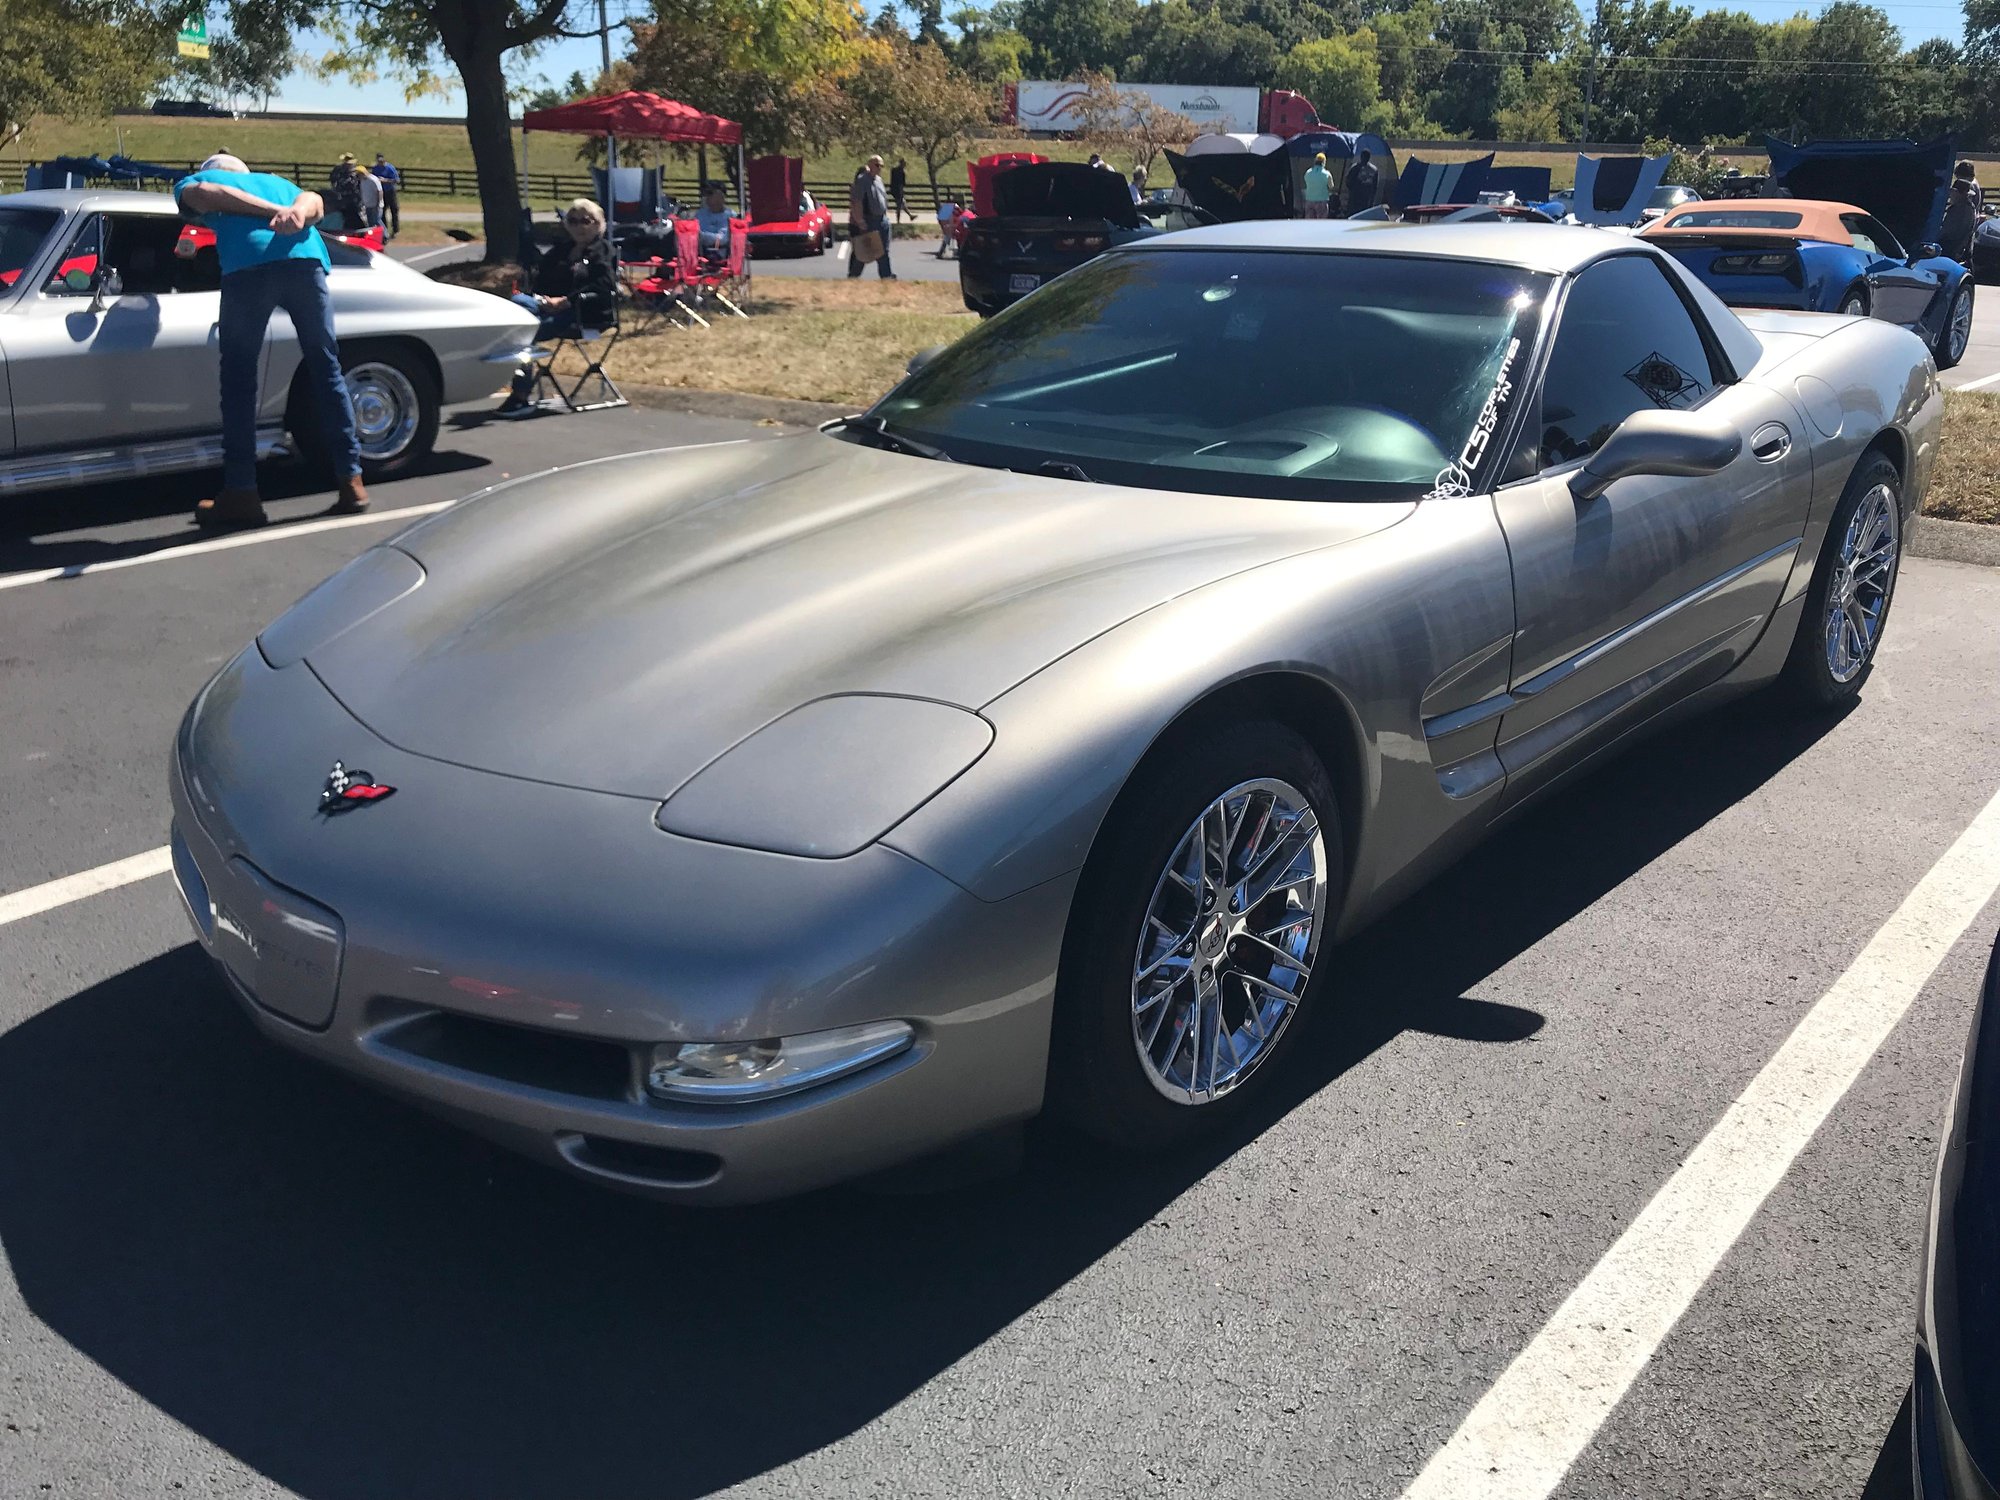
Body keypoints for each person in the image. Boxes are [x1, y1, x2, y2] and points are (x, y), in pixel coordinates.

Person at [174, 153, 364, 528]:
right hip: (306, 264)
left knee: (240, 379)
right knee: (327, 369)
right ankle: (351, 480)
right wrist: (292, 211)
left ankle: (242, 492)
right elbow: (314, 202)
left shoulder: (198, 182)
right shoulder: (280, 183)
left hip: (249, 269)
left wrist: (272, 213)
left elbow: (207, 193)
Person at [495, 199, 618, 418]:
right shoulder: (560, 251)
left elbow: (604, 286)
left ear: (598, 223)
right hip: (547, 307)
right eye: (573, 220)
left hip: (583, 313)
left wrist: (566, 301)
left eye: (585, 221)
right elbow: (539, 281)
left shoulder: (603, 251)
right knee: (513, 305)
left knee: (523, 332)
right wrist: (544, 298)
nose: (579, 226)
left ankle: (520, 397)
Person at [846, 153, 894, 280]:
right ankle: (853, 276)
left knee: (884, 250)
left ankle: (886, 276)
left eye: (881, 166)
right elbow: (857, 201)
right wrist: (860, 220)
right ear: (870, 165)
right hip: (869, 219)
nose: (880, 168)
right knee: (864, 251)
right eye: (877, 165)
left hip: (882, 219)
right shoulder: (862, 180)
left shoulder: (879, 180)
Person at [1942, 160, 1981, 265]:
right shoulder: (1974, 183)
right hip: (1967, 226)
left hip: (1957, 235)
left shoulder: (1963, 205)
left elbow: (1950, 230)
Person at [695, 182, 733, 263]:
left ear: (721, 196)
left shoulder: (730, 216)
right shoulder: (700, 214)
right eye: (706, 194)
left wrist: (703, 236)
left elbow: (723, 239)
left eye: (710, 193)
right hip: (699, 253)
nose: (706, 197)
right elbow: (695, 234)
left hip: (721, 254)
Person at [326, 152, 365, 228]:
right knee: (344, 214)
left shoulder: (355, 172)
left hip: (353, 198)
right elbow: (333, 179)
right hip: (343, 196)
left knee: (355, 214)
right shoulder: (339, 170)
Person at [1343, 149, 1378, 216]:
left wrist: (1352, 189)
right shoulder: (1374, 169)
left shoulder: (1355, 167)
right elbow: (1375, 186)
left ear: (1361, 157)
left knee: (1353, 215)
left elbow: (1348, 181)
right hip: (1367, 196)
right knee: (1364, 214)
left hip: (1355, 196)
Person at [373, 152, 401, 236]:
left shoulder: (390, 168)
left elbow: (396, 180)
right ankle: (384, 230)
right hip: (381, 192)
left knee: (394, 210)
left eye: (381, 160)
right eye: (378, 160)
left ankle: (395, 230)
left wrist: (385, 180)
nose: (380, 162)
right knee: (382, 211)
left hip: (390, 191)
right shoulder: (375, 168)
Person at [1301, 151, 1333, 219]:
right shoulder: (1327, 174)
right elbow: (1331, 186)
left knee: (1309, 223)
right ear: (1324, 162)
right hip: (1322, 201)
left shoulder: (1308, 172)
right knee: (1321, 223)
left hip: (1309, 200)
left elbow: (1306, 182)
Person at [353, 163, 384, 231]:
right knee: (370, 223)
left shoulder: (373, 180)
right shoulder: (362, 181)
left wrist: (378, 203)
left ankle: (385, 235)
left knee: (377, 221)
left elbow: (379, 191)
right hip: (367, 204)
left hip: (375, 205)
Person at [889, 158, 907, 222]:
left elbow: (891, 180)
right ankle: (898, 220)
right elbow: (902, 184)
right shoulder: (902, 172)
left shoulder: (893, 170)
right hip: (898, 190)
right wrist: (901, 191)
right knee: (899, 205)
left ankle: (910, 215)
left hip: (893, 189)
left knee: (902, 203)